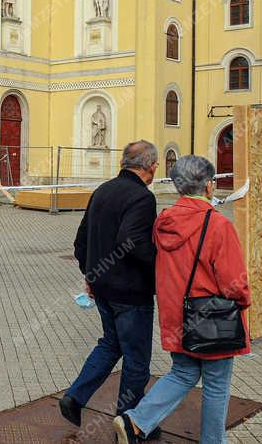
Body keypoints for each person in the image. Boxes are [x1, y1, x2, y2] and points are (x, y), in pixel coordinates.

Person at [113, 155, 251, 444]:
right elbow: (234, 283)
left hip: (177, 316)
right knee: (215, 383)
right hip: (212, 319)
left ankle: (135, 421)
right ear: (209, 186)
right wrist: (243, 302)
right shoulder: (218, 225)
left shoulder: (163, 221)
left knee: (183, 373)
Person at [60, 141, 159, 430]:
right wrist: (160, 269)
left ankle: (75, 397)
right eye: (155, 165)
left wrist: (92, 275)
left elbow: (81, 242)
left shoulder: (103, 190)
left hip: (103, 288)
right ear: (150, 165)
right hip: (131, 292)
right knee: (137, 360)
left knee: (111, 344)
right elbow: (132, 242)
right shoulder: (143, 197)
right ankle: (130, 423)